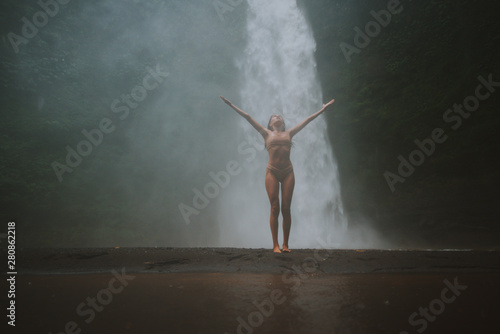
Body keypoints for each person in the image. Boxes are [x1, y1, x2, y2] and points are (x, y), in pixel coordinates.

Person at [220, 96, 335, 253]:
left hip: (288, 172)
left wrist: (323, 109)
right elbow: (248, 117)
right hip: (272, 172)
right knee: (275, 207)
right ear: (270, 123)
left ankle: (285, 245)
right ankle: (275, 245)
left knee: (286, 208)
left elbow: (308, 120)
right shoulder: (266, 133)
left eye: (279, 116)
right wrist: (231, 104)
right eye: (274, 116)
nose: (278, 116)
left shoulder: (290, 133)